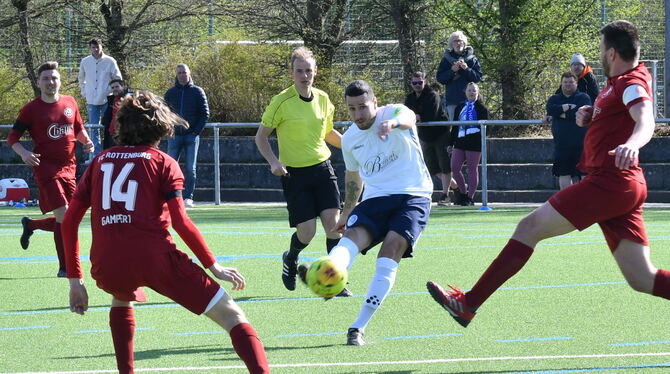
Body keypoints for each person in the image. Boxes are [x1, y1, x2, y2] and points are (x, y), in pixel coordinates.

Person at [427, 20, 670, 329]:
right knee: (642, 278)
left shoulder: (631, 82)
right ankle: (468, 304)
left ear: (611, 53)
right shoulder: (619, 80)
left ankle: (468, 303)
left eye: (599, 50)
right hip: (623, 185)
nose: (598, 56)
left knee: (529, 227)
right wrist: (590, 116)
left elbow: (645, 120)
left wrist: (633, 144)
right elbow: (618, 116)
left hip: (610, 182)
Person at [62, 91, 269, 374]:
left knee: (121, 295)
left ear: (121, 124)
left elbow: (70, 220)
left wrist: (75, 281)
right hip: (156, 258)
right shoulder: (162, 162)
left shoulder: (100, 161)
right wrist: (214, 265)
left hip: (108, 263)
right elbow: (181, 222)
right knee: (233, 315)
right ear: (161, 125)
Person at [298, 80, 433, 346]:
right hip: (376, 198)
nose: (358, 115)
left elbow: (406, 116)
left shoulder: (393, 113)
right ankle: (329, 275)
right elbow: (353, 175)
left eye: (362, 107)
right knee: (351, 237)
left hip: (414, 195)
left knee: (391, 249)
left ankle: (358, 326)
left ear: (375, 103)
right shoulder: (349, 139)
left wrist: (391, 124)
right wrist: (347, 212)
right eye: (352, 109)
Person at [255, 47, 348, 296]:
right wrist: (274, 162)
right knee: (307, 233)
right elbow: (261, 137)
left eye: (308, 70)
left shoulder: (323, 98)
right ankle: (291, 257)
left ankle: (335, 280)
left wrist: (353, 146)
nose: (304, 75)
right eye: (299, 71)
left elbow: (328, 133)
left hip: (323, 169)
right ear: (292, 73)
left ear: (315, 71)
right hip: (294, 174)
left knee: (333, 227)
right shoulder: (281, 102)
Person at [7, 61, 94, 277]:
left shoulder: (70, 102)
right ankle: (66, 267)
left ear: (60, 81)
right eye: (45, 78)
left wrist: (86, 141)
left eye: (54, 78)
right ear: (38, 82)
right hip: (45, 168)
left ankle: (31, 225)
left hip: (69, 167)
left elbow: (78, 129)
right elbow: (12, 137)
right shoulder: (31, 109)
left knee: (70, 216)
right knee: (64, 215)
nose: (50, 82)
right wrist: (24, 154)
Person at [404, 72, 454, 206]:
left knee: (445, 166)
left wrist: (417, 116)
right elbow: (405, 114)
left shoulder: (432, 95)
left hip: (440, 134)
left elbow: (431, 114)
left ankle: (445, 195)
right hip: (425, 135)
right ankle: (456, 187)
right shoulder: (410, 98)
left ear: (424, 81)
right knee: (432, 168)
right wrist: (415, 116)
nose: (417, 85)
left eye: (419, 82)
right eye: (414, 83)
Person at [164, 64, 210, 208]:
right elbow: (164, 113)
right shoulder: (170, 93)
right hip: (174, 136)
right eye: (179, 73)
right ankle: (170, 196)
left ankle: (188, 197)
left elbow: (205, 114)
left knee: (191, 168)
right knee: (169, 168)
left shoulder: (197, 91)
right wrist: (169, 129)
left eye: (184, 72)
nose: (182, 75)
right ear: (176, 75)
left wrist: (195, 132)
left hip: (191, 136)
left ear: (189, 73)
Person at [78, 37, 122, 161]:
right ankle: (96, 155)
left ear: (101, 46)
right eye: (93, 47)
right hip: (92, 99)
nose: (95, 49)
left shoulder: (110, 61)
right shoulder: (85, 61)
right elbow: (81, 78)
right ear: (90, 48)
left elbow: (117, 77)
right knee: (93, 128)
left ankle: (109, 152)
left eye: (97, 46)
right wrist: (84, 91)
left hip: (108, 98)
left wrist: (112, 91)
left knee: (110, 126)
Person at [546, 72, 591, 190]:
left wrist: (559, 114)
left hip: (581, 144)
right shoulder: (555, 98)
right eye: (565, 82)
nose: (568, 84)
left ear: (576, 83)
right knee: (563, 172)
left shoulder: (583, 97)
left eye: (571, 82)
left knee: (583, 173)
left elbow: (582, 114)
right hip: (562, 144)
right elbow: (550, 109)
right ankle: (566, 203)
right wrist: (563, 108)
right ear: (561, 84)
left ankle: (584, 202)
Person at [448, 82, 489, 206]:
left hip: (474, 143)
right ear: (465, 92)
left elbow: (487, 128)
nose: (472, 92)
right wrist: (451, 143)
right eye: (469, 90)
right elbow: (455, 126)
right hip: (460, 141)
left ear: (478, 92)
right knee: (454, 167)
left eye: (474, 90)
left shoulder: (482, 108)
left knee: (472, 169)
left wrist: (478, 138)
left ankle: (470, 197)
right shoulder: (460, 107)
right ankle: (463, 193)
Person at [436, 31, 483, 121]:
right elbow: (440, 78)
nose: (458, 43)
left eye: (460, 41)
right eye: (455, 41)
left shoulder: (472, 59)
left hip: (470, 101)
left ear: (464, 43)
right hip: (453, 101)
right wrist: (452, 71)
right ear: (451, 44)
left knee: (471, 127)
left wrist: (467, 69)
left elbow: (478, 77)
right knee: (455, 129)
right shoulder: (446, 60)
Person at [101, 78, 131, 149]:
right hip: (112, 134)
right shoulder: (111, 100)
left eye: (117, 87)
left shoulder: (130, 99)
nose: (114, 89)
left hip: (125, 134)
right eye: (113, 87)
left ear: (122, 86)